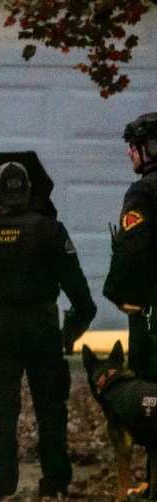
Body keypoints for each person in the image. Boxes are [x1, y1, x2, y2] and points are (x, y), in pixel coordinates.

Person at [0, 162, 97, 500]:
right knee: (51, 405)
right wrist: (76, 324)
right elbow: (78, 288)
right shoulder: (50, 231)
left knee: (1, 406)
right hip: (41, 325)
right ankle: (55, 480)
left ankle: (3, 481)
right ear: (28, 189)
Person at [104, 112, 157, 381]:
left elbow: (131, 247)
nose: (129, 154)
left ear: (149, 148)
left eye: (133, 148)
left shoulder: (143, 192)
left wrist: (116, 293)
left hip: (151, 314)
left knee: (147, 391)